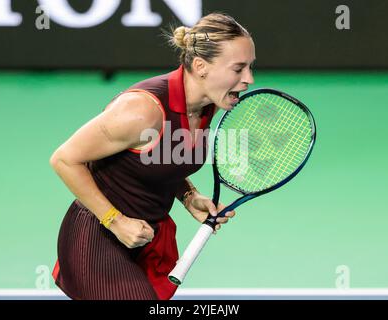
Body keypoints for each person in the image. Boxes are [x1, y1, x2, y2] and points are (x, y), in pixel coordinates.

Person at [49, 12, 256, 300]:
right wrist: (116, 221)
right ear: (201, 66)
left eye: (250, 67)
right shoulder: (142, 111)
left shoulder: (207, 106)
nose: (249, 78)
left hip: (145, 239)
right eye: (238, 69)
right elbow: (64, 159)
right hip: (97, 236)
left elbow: (159, 159)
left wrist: (189, 196)